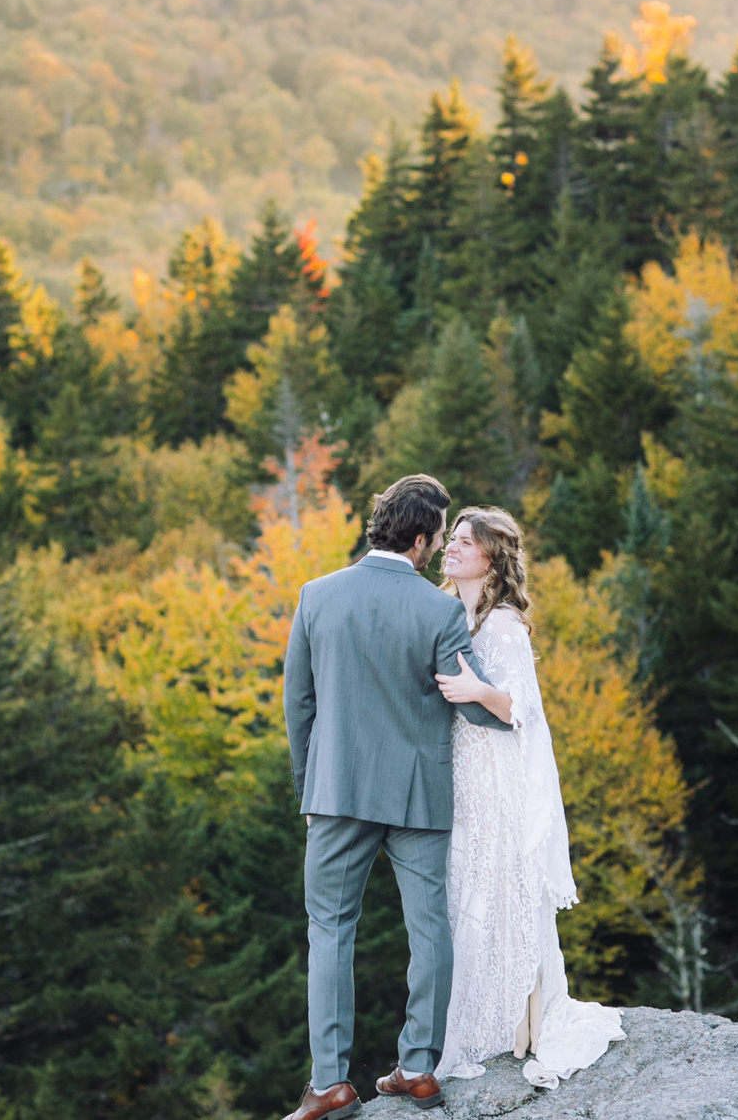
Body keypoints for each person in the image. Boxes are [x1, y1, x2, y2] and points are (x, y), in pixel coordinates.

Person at [282, 475, 512, 1120]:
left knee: (330, 931)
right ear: (419, 540)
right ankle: (416, 1068)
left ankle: (330, 1083)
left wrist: (309, 788)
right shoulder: (439, 611)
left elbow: (299, 704)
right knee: (429, 929)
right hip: (418, 794)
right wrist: (504, 703)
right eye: (438, 537)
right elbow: (478, 707)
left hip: (336, 792)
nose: (440, 548)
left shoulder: (317, 595)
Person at [434, 506, 626, 1088]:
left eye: (465, 542)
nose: (451, 548)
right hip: (462, 772)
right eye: (452, 539)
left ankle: (519, 1023)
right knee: (466, 890)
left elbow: (521, 709)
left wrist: (476, 689)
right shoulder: (453, 613)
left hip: (499, 777)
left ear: (492, 557)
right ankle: (484, 1020)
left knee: (499, 887)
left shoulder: (503, 625)